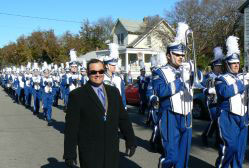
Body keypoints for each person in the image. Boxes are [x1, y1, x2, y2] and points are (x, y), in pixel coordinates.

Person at [64, 59, 136, 168]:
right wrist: (70, 154)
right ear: (88, 73)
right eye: (94, 72)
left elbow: (123, 118)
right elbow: (71, 127)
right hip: (90, 151)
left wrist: (130, 140)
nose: (98, 74)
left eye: (100, 71)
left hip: (111, 149)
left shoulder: (114, 92)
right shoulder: (77, 95)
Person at [153, 22, 193, 168]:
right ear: (168, 55)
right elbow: (160, 91)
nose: (180, 57)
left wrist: (193, 71)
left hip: (187, 114)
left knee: (184, 157)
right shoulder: (160, 72)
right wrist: (179, 80)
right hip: (170, 115)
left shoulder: (187, 68)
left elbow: (200, 82)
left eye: (182, 55)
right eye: (176, 54)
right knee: (171, 156)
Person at [215, 36, 248, 168]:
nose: (236, 65)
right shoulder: (221, 79)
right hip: (227, 117)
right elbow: (225, 92)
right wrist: (242, 84)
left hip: (243, 117)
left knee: (240, 152)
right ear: (227, 64)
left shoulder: (244, 77)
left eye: (237, 63)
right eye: (233, 63)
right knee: (229, 148)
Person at [201, 47, 223, 147]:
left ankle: (218, 141)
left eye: (220, 66)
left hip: (220, 102)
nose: (219, 68)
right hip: (212, 102)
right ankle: (205, 135)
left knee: (219, 121)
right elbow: (207, 90)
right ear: (214, 66)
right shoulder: (210, 77)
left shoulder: (222, 76)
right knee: (214, 120)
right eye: (218, 66)